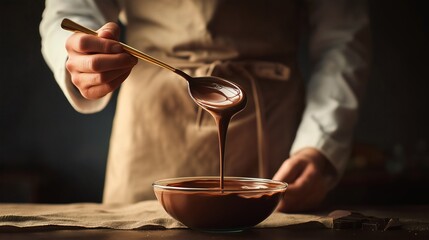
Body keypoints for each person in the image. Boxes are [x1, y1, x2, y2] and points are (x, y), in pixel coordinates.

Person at [40, 0, 370, 212]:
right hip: (150, 125)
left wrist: (319, 145)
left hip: (272, 129)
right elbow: (69, 11)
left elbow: (342, 37)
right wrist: (79, 56)